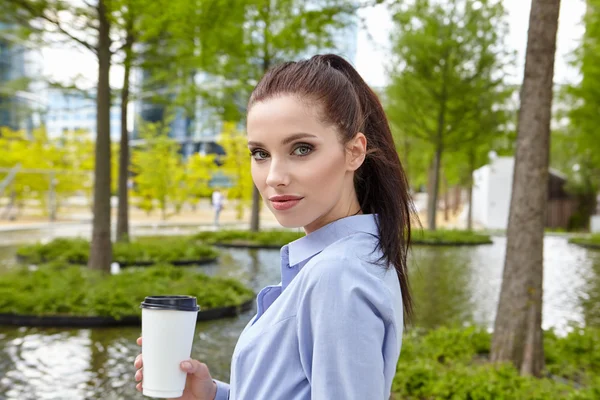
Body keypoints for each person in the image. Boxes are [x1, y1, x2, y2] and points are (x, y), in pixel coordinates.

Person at [134, 54, 415, 400]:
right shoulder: (355, 257)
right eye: (260, 153)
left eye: (301, 148)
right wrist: (213, 394)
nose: (274, 178)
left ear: (354, 152)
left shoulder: (337, 275)